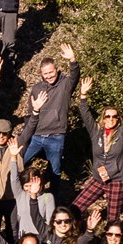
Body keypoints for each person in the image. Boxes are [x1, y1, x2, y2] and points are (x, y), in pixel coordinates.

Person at [74, 77, 123, 227]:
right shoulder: (96, 132)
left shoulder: (121, 134)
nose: (111, 119)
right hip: (98, 179)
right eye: (107, 116)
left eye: (114, 116)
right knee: (75, 209)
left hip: (117, 180)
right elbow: (85, 114)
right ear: (103, 119)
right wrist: (83, 95)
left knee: (112, 219)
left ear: (118, 119)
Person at [20, 47, 77, 177]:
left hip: (56, 136)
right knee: (19, 163)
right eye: (45, 74)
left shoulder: (65, 85)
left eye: (51, 72)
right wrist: (25, 135)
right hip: (36, 136)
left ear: (56, 70)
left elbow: (75, 77)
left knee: (55, 171)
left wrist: (73, 60)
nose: (49, 76)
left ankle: (53, 196)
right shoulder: (36, 89)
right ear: (41, 74)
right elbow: (30, 115)